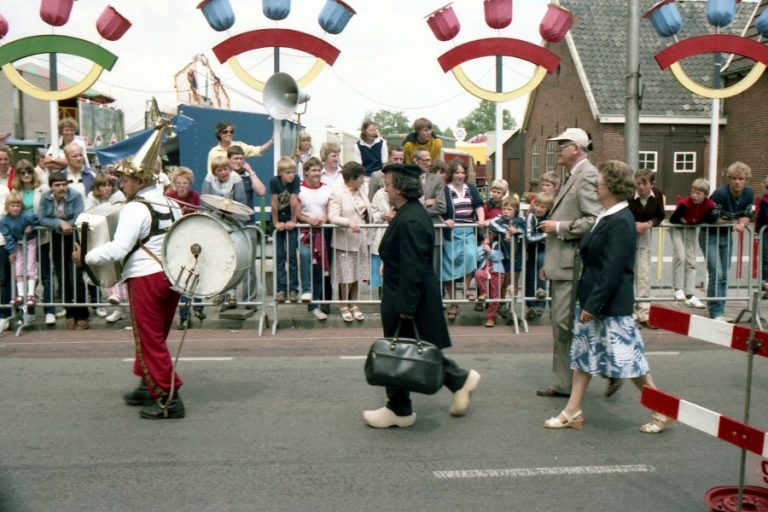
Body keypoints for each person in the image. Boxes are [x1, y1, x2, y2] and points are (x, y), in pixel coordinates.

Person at [543, 160, 672, 434]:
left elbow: (612, 270)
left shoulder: (621, 221)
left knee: (632, 365)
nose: (594, 186)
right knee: (583, 357)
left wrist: (593, 304)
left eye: (598, 183)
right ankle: (572, 410)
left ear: (611, 187)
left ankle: (662, 409)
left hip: (610, 306)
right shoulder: (608, 215)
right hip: (597, 302)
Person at [363, 163, 480, 429]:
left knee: (398, 351)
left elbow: (414, 266)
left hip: (405, 294)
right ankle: (456, 381)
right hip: (404, 291)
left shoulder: (412, 218)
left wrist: (405, 305)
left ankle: (399, 408)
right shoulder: (409, 213)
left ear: (402, 188)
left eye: (390, 184)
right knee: (411, 347)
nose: (387, 188)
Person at [76, 151, 184, 420]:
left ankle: (169, 398)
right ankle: (146, 385)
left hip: (146, 279)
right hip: (171, 279)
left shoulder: (135, 208)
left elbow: (118, 248)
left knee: (149, 339)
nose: (122, 184)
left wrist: (86, 257)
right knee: (154, 336)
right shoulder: (173, 204)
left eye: (125, 179)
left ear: (139, 180)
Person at [537, 128, 602, 398]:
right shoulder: (574, 176)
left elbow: (594, 218)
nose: (557, 149)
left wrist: (559, 226)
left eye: (562, 145)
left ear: (575, 148)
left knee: (564, 325)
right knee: (562, 325)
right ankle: (564, 382)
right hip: (563, 264)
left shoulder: (586, 175)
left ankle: (606, 369)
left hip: (572, 264)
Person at [700, 161, 754, 322]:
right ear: (729, 179)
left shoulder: (748, 193)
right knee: (716, 273)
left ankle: (720, 310)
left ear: (745, 180)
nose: (737, 182)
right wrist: (731, 222)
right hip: (709, 234)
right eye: (734, 179)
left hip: (725, 235)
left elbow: (746, 215)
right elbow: (713, 218)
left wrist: (742, 224)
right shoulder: (720, 194)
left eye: (741, 179)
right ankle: (715, 311)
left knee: (724, 275)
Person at [39, 172, 89, 329]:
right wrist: (59, 223)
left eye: (63, 184)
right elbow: (41, 218)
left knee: (76, 276)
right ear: (51, 186)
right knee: (62, 277)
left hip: (74, 237)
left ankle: (82, 314)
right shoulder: (45, 197)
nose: (61, 188)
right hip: (56, 238)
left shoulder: (76, 195)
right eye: (57, 185)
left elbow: (80, 215)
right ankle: (69, 313)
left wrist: (68, 225)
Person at [12, 159, 55, 325]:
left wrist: (33, 224)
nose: (26, 175)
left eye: (29, 171)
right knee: (24, 274)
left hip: (40, 237)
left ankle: (49, 310)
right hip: (22, 239)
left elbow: (46, 213)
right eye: (22, 172)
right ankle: (27, 312)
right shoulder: (15, 192)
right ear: (18, 175)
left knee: (45, 274)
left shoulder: (43, 189)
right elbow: (11, 213)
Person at [441, 159, 485, 321]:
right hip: (451, 232)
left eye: (462, 172)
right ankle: (454, 302)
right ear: (451, 174)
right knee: (448, 267)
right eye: (457, 172)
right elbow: (439, 208)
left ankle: (466, 288)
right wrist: (445, 220)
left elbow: (479, 205)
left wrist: (481, 220)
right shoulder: (445, 190)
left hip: (468, 230)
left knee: (472, 256)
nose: (460, 175)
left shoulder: (471, 188)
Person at [328, 162, 372, 322]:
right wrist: (349, 222)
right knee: (345, 275)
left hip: (361, 238)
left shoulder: (362, 190)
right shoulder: (337, 192)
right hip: (345, 239)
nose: (363, 180)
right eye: (360, 177)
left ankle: (354, 303)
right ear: (352, 178)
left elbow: (368, 210)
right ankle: (343, 304)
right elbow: (333, 216)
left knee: (357, 273)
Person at [84, 174, 128, 323]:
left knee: (123, 273)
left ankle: (122, 303)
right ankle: (119, 307)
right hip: (100, 240)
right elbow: (88, 214)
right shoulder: (91, 196)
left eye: (109, 185)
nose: (107, 188)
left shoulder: (119, 195)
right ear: (97, 187)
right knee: (107, 272)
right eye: (103, 185)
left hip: (118, 239)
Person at [166, 167, 205, 329]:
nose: (182, 186)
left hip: (193, 240)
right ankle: (184, 316)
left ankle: (199, 306)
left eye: (185, 183)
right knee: (183, 278)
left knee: (196, 273)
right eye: (179, 183)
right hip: (177, 242)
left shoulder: (195, 197)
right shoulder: (169, 197)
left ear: (190, 185)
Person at [669, 179, 715, 309]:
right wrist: (685, 221)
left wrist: (695, 221)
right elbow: (673, 219)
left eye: (698, 193)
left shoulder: (710, 205)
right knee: (681, 256)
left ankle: (690, 294)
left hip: (690, 228)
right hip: (677, 228)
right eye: (693, 192)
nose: (694, 195)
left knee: (691, 261)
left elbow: (711, 218)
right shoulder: (685, 204)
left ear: (705, 195)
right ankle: (678, 288)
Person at [628, 169, 666, 329]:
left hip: (644, 235)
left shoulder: (657, 194)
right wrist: (632, 224)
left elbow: (660, 215)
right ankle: (628, 315)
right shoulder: (629, 194)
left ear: (652, 184)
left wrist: (648, 224)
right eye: (638, 183)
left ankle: (644, 314)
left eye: (645, 183)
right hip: (626, 234)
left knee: (643, 275)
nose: (641, 187)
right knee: (628, 275)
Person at [297, 157, 332, 321]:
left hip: (322, 233)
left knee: (319, 269)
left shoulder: (327, 189)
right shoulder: (299, 189)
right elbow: (296, 212)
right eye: (313, 170)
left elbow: (328, 210)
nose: (317, 173)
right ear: (306, 173)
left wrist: (323, 220)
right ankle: (306, 292)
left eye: (319, 170)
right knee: (305, 258)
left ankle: (315, 305)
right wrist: (308, 220)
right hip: (304, 233)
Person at [270, 156, 301, 303]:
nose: (291, 175)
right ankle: (281, 289)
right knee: (280, 256)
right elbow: (274, 203)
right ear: (280, 173)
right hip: (278, 218)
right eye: (288, 172)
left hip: (290, 217)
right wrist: (276, 222)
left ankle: (293, 289)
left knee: (292, 256)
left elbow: (294, 201)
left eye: (293, 172)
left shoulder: (295, 181)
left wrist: (293, 220)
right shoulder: (274, 182)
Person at [0, 192, 39, 307]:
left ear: (21, 206)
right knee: (18, 268)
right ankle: (21, 295)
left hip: (30, 241)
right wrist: (11, 251)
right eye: (12, 205)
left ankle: (31, 294)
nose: (15, 208)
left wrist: (31, 227)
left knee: (30, 267)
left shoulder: (27, 215)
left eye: (18, 205)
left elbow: (37, 220)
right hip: (17, 243)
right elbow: (7, 236)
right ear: (7, 206)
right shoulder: (4, 220)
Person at [524, 191, 553, 319]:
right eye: (537, 205)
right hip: (531, 248)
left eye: (542, 207)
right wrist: (546, 236)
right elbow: (529, 237)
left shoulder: (551, 216)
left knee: (542, 266)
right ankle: (530, 305)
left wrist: (543, 237)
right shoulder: (531, 216)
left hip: (545, 249)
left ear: (548, 208)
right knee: (530, 275)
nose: (538, 208)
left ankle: (541, 303)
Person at [206, 120, 272, 172]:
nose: (228, 134)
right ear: (219, 133)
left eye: (231, 131)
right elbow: (210, 173)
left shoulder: (239, 145)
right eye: (225, 132)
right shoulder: (213, 152)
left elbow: (258, 151)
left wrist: (272, 141)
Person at [475, 229, 505, 327]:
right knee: (479, 273)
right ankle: (484, 292)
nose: (487, 235)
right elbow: (478, 257)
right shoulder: (482, 244)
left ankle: (490, 318)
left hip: (497, 272)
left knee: (495, 296)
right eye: (485, 233)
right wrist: (483, 247)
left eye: (490, 233)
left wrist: (490, 250)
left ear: (495, 234)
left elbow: (499, 257)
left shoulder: (499, 244)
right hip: (485, 270)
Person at [228, 144, 266, 219]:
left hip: (248, 221)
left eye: (241, 159)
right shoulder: (224, 175)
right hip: (230, 221)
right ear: (228, 159)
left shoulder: (248, 176)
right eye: (235, 159)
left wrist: (250, 171)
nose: (238, 161)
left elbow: (261, 192)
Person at [755, 176, 768, 293]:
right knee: (765, 258)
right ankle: (765, 284)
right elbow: (762, 217)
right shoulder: (764, 201)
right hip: (765, 232)